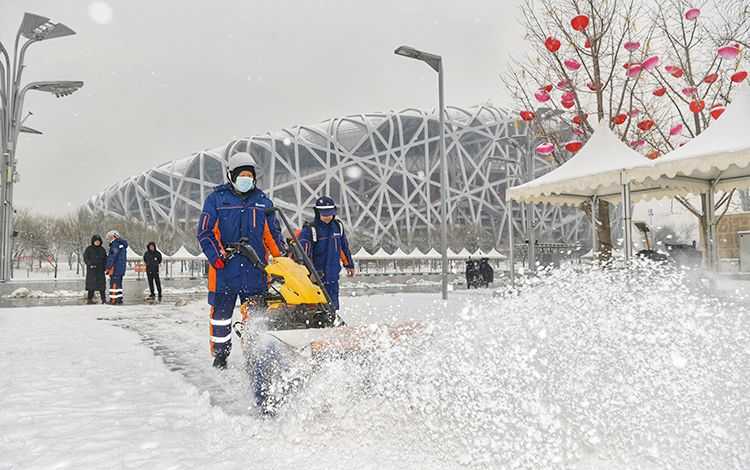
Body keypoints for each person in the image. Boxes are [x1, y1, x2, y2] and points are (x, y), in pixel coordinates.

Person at [197, 152, 285, 369]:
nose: (246, 179)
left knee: (255, 316)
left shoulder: (262, 201)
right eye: (242, 175)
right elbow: (205, 232)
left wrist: (283, 262)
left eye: (249, 175)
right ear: (232, 176)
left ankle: (255, 354)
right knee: (221, 317)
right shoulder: (216, 199)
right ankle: (220, 354)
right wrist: (217, 258)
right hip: (224, 270)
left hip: (255, 269)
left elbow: (272, 235)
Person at [298, 196, 355, 312]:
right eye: (324, 214)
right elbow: (304, 254)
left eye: (330, 214)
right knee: (316, 307)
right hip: (316, 277)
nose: (327, 217)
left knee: (332, 306)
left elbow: (343, 248)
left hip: (333, 276)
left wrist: (349, 265)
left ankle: (331, 321)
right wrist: (310, 272)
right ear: (317, 212)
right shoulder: (310, 230)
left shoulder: (338, 227)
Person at [105, 230, 129, 305]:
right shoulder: (122, 245)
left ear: (113, 236)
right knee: (119, 285)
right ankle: (119, 299)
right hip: (121, 269)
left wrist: (108, 266)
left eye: (109, 237)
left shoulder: (115, 244)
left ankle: (113, 300)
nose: (108, 239)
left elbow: (112, 257)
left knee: (114, 284)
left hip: (115, 268)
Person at [83, 235, 107, 304]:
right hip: (92, 271)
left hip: (100, 270)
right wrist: (90, 264)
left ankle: (103, 300)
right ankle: (90, 299)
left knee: (101, 287)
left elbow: (105, 259)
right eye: (96, 241)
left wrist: (105, 267)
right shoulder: (89, 249)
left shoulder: (102, 249)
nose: (97, 242)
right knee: (91, 287)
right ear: (93, 242)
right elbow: (85, 258)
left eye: (98, 241)